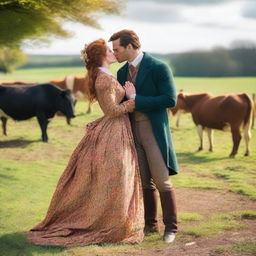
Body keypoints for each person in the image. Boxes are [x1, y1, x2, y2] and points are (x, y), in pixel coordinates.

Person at [23, 39, 144, 247]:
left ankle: (114, 220)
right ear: (101, 56)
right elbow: (112, 111)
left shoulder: (105, 75)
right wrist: (133, 99)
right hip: (112, 132)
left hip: (117, 130)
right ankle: (107, 223)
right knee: (115, 177)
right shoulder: (104, 79)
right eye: (109, 50)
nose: (114, 52)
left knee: (116, 177)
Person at [109, 30, 179, 244]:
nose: (115, 54)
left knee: (161, 181)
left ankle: (171, 228)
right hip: (131, 132)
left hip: (153, 130)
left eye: (117, 49)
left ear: (130, 46)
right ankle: (151, 225)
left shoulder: (159, 67)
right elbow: (120, 104)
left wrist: (137, 99)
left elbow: (170, 99)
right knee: (143, 182)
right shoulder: (121, 73)